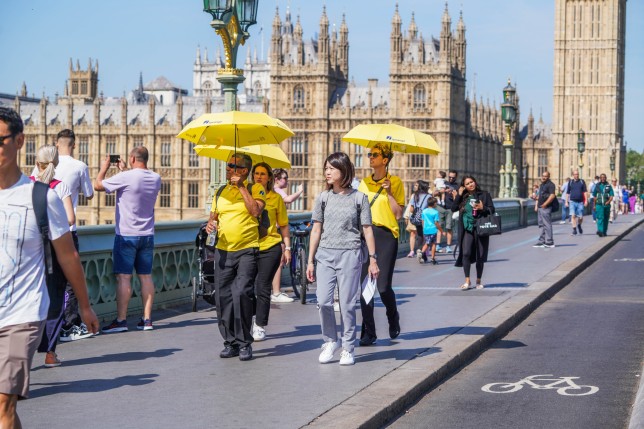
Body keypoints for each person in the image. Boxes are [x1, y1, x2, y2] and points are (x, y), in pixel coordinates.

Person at [0, 107, 99, 428]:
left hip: (22, 313)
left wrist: (84, 306)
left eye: (0, 140)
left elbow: (68, 256)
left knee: (2, 402)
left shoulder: (41, 197)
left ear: (19, 142)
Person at [306, 152, 379, 365]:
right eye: (326, 168)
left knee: (347, 304)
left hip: (350, 254)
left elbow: (367, 230)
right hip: (325, 254)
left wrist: (373, 259)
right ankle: (330, 340)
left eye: (332, 168)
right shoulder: (323, 198)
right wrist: (310, 260)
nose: (327, 172)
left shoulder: (359, 198)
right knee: (323, 302)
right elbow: (316, 231)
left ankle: (348, 347)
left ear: (344, 171)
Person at [32, 129, 96, 343]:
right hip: (63, 237)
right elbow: (75, 212)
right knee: (64, 285)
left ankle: (37, 331)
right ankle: (66, 327)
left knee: (38, 284)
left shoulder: (29, 181)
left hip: (37, 239)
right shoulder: (73, 173)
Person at [205, 154, 266, 361]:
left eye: (233, 166)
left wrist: (241, 187)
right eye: (227, 165)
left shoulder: (255, 188)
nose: (228, 168)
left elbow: (255, 211)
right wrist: (210, 225)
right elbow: (212, 218)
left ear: (244, 170)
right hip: (223, 249)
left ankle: (244, 342)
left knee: (241, 293)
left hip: (247, 249)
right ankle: (229, 341)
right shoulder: (220, 191)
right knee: (222, 297)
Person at [94, 147, 161, 332]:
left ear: (132, 158)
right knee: (145, 277)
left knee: (124, 277)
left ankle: (121, 321)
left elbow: (98, 185)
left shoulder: (127, 177)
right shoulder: (156, 178)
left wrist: (105, 167)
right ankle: (147, 320)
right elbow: (136, 185)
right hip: (147, 235)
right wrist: (124, 171)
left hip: (126, 235)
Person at [30, 145, 76, 368]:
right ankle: (50, 353)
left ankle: (23, 354)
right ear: (55, 163)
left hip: (30, 250)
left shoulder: (25, 185)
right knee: (55, 298)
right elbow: (70, 219)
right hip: (55, 249)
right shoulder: (59, 187)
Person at [358, 143, 404, 346]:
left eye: (374, 155)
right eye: (369, 154)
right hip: (366, 234)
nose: (370, 157)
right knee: (364, 287)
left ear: (385, 160)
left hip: (386, 236)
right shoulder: (363, 183)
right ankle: (369, 331)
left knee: (383, 287)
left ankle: (392, 316)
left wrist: (390, 192)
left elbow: (398, 214)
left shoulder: (395, 181)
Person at [250, 163, 291, 341]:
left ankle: (259, 324)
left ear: (269, 178)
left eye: (263, 174)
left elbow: (283, 225)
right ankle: (246, 321)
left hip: (270, 245)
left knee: (263, 287)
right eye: (256, 173)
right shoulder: (244, 194)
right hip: (248, 245)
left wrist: (287, 247)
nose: (259, 177)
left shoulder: (275, 199)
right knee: (244, 288)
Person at [451, 175, 495, 290]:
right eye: (467, 183)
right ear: (464, 186)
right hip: (467, 229)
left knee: (480, 255)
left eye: (472, 182)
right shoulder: (464, 197)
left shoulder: (484, 195)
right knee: (466, 253)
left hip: (480, 228)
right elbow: (453, 208)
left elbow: (492, 209)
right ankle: (467, 280)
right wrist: (459, 195)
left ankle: (478, 280)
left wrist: (483, 207)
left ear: (475, 182)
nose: (470, 185)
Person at [270, 168, 303, 303]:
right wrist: (300, 191)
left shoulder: (274, 191)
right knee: (279, 259)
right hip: (276, 230)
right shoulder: (277, 191)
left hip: (274, 229)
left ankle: (275, 291)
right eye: (285, 178)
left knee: (278, 259)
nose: (287, 180)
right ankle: (276, 293)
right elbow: (288, 200)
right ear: (277, 179)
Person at [406, 180, 430, 258]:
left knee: (420, 235)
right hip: (426, 218)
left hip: (417, 218)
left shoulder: (415, 195)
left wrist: (410, 216)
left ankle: (419, 249)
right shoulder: (429, 196)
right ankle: (424, 251)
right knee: (427, 235)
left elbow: (411, 209)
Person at [533, 171, 557, 248]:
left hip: (546, 207)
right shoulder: (542, 185)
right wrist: (535, 198)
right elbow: (542, 196)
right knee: (541, 225)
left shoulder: (551, 185)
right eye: (543, 176)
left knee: (547, 224)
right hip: (540, 207)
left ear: (548, 177)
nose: (543, 177)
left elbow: (552, 196)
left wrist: (545, 204)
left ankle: (550, 242)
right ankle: (541, 241)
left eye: (545, 176)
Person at [418, 197, 444, 265]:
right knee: (432, 244)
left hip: (425, 229)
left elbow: (423, 221)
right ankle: (427, 255)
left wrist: (424, 228)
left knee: (427, 242)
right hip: (432, 229)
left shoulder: (424, 211)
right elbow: (436, 223)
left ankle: (428, 256)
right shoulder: (435, 212)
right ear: (434, 203)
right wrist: (441, 231)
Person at [441, 169, 459, 253]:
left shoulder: (457, 187)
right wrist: (444, 191)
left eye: (453, 177)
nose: (451, 179)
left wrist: (453, 194)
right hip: (441, 208)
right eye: (450, 177)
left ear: (456, 177)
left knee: (449, 228)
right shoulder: (443, 183)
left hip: (451, 208)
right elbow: (434, 193)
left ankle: (448, 246)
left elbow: (458, 199)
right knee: (438, 227)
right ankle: (437, 245)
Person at [566, 170, 588, 236]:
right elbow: (567, 192)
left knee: (580, 217)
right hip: (572, 201)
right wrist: (566, 201)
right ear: (573, 175)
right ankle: (574, 229)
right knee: (573, 216)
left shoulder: (582, 182)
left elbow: (585, 192)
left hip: (580, 202)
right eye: (575, 174)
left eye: (577, 174)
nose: (577, 175)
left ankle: (579, 225)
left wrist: (586, 200)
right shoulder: (570, 182)